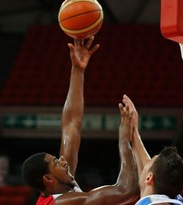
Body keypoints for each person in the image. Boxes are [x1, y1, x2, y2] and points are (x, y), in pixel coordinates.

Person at [21, 37, 139, 205]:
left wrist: (77, 70)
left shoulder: (60, 186)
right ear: (48, 178)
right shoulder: (63, 203)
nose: (62, 160)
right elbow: (127, 192)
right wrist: (124, 141)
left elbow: (71, 124)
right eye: (56, 162)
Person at [121, 95, 183, 205]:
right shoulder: (175, 198)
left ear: (149, 177)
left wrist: (123, 141)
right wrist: (134, 132)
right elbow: (155, 174)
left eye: (149, 162)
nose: (146, 162)